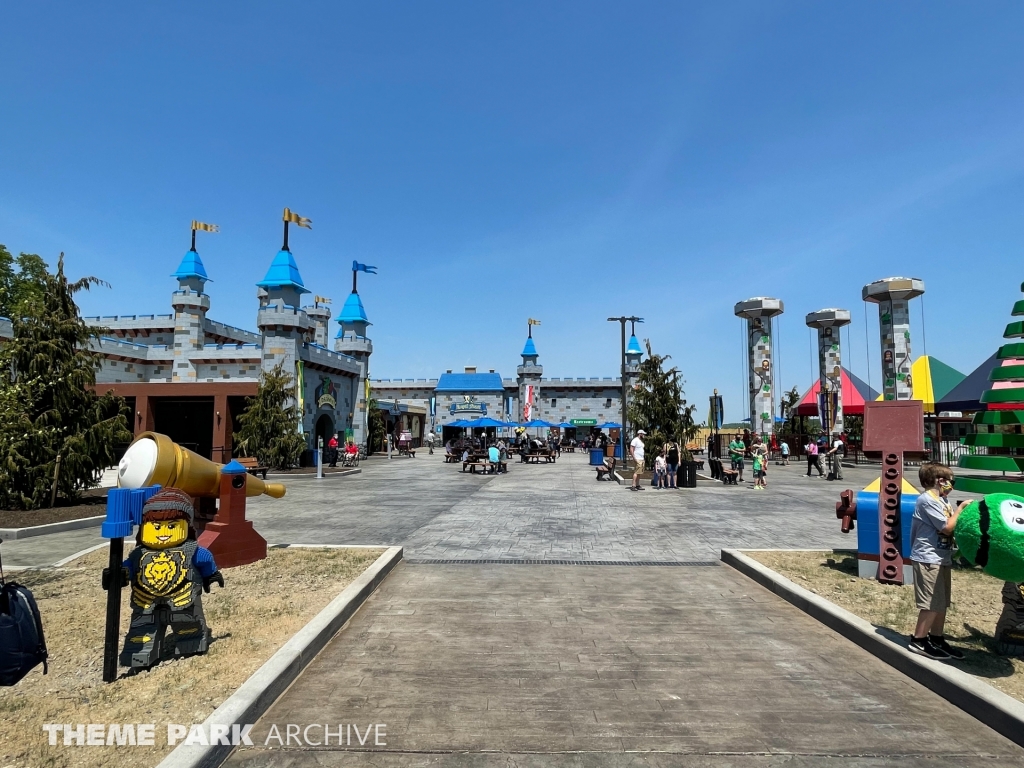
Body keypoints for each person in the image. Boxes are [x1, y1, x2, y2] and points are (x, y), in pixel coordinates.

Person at [908, 463, 972, 660]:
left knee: (941, 602)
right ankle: (918, 640)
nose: (952, 485)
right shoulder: (927, 501)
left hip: (941, 557)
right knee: (931, 602)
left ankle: (936, 638)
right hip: (928, 558)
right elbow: (946, 527)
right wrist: (960, 509)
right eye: (950, 481)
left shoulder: (942, 501)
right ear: (939, 481)